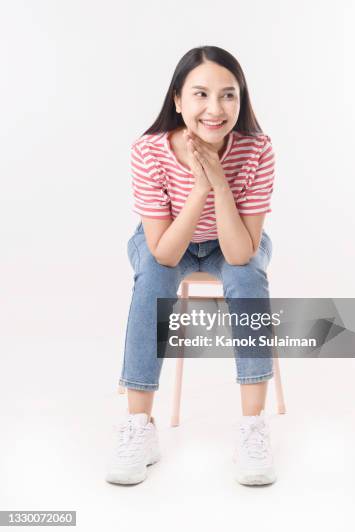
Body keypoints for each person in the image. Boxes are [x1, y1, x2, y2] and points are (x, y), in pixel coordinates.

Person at [106, 45, 277, 487]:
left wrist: (220, 184)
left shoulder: (257, 149)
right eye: (200, 94)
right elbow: (162, 250)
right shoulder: (149, 151)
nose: (215, 109)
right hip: (169, 240)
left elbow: (241, 252)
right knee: (154, 277)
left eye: (228, 95)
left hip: (232, 239)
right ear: (178, 100)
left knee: (248, 276)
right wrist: (200, 187)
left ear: (242, 100)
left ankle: (252, 426)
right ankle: (139, 426)